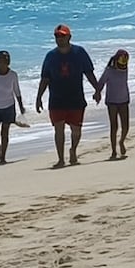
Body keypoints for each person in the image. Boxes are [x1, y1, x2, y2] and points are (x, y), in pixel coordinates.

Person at [35, 24, 100, 168]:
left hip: (75, 98)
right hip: (57, 99)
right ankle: (60, 159)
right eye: (57, 36)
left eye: (62, 36)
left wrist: (97, 89)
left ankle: (73, 151)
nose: (60, 39)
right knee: (58, 129)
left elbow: (88, 73)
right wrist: (39, 97)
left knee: (76, 130)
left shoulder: (79, 52)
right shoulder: (50, 56)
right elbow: (45, 78)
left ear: (69, 37)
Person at [93, 49, 131, 160]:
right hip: (111, 101)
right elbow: (101, 83)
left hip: (124, 100)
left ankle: (122, 141)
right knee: (114, 126)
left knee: (126, 126)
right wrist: (97, 93)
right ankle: (114, 151)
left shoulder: (125, 68)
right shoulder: (108, 71)